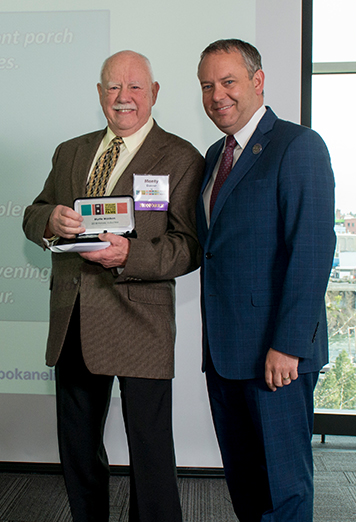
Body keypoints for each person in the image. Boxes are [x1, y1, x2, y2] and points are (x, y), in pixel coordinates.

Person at [23, 50, 204, 522]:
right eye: (113, 88)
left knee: (150, 451)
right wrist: (51, 220)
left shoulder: (180, 157)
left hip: (139, 320)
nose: (123, 98)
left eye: (135, 87)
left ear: (155, 93)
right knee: (78, 449)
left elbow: (189, 246)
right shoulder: (71, 151)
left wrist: (131, 255)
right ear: (100, 94)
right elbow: (33, 213)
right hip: (74, 321)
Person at [196, 39, 336, 521]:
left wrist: (290, 344)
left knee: (284, 488)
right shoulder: (216, 155)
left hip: (277, 356)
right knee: (246, 483)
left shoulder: (297, 146)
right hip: (225, 354)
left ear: (257, 81)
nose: (218, 96)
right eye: (207, 86)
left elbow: (313, 252)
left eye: (228, 82)